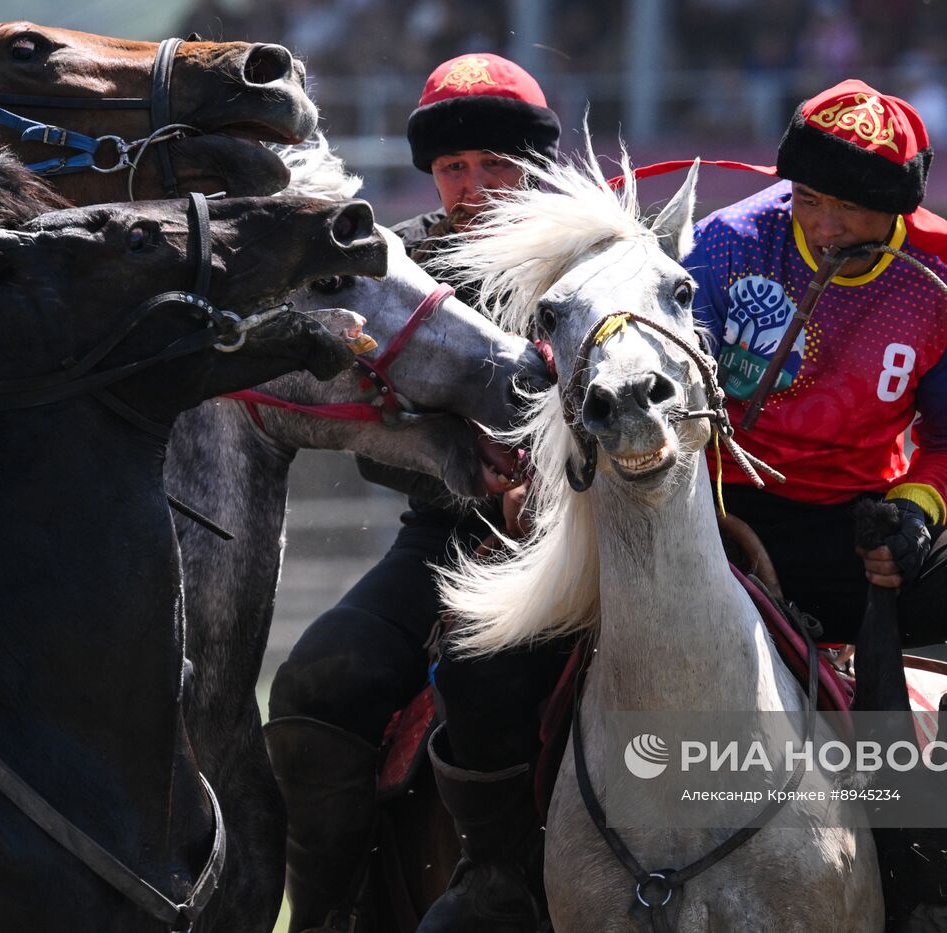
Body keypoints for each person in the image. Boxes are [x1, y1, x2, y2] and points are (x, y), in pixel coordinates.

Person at [685, 79, 947, 878]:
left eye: (852, 210)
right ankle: (501, 865)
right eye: (810, 198)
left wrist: (913, 514)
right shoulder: (725, 243)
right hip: (709, 528)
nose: (824, 226)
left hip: (852, 539)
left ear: (897, 209)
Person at [265, 53, 566, 933]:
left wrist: (554, 492)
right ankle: (331, 915)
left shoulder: (602, 259)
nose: (472, 188)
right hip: (442, 539)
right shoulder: (396, 268)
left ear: (538, 165)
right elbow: (373, 438)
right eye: (451, 169)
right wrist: (459, 468)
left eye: (496, 165)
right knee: (319, 681)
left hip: (598, 545)